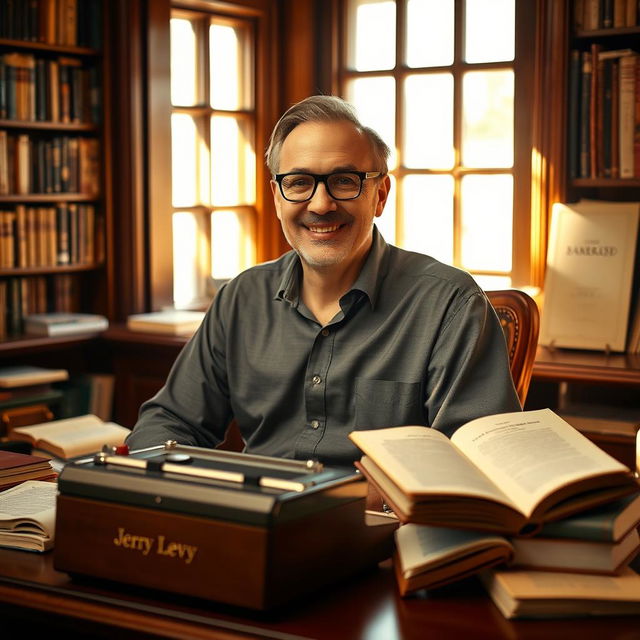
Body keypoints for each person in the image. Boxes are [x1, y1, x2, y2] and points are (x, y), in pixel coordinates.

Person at [126, 95, 521, 468]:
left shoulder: (448, 304)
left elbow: (474, 461)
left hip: (381, 530)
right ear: (278, 198)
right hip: (258, 523)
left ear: (380, 195)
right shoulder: (241, 298)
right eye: (298, 182)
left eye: (345, 181)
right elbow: (169, 423)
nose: (320, 204)